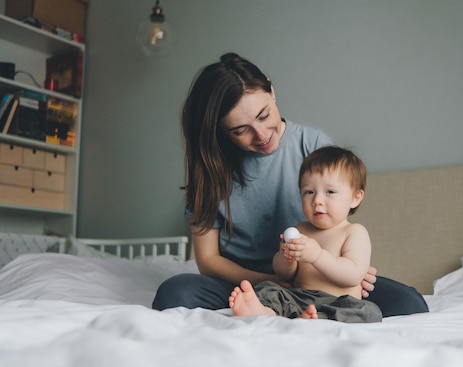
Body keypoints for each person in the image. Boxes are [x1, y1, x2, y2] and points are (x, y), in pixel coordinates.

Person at [151, 52, 429, 317]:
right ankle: (268, 307)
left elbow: (337, 220)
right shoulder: (211, 169)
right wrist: (268, 280)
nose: (260, 135)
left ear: (271, 91)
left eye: (263, 115)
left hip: (316, 276)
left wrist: (349, 268)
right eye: (240, 130)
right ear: (221, 131)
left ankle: (305, 311)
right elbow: (208, 260)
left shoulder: (312, 145)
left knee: (410, 303)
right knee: (174, 293)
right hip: (246, 281)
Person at [229, 146, 382, 322]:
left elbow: (353, 274)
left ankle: (316, 319)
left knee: (369, 311)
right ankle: (265, 312)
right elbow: (286, 275)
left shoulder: (354, 232)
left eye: (330, 192)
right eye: (309, 192)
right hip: (299, 298)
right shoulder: (301, 229)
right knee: (267, 288)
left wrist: (316, 255)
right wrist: (286, 258)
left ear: (355, 197)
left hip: (337, 303)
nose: (317, 200)